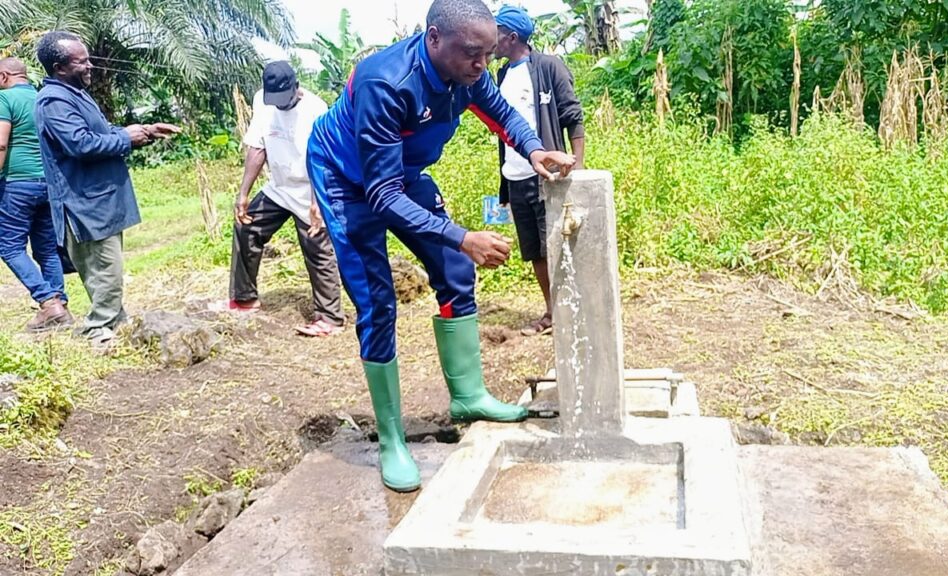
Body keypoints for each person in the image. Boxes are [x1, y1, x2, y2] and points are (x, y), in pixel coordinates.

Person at [307, 0, 575, 492]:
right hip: (347, 177)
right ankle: (391, 437)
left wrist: (535, 150)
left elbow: (502, 114)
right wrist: (463, 235)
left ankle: (468, 395)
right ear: (434, 39)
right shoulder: (385, 82)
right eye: (473, 54)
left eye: (489, 55)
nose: (482, 65)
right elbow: (381, 196)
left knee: (454, 268)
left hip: (401, 173)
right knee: (377, 300)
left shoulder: (470, 74)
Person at [35, 31, 180, 347]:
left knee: (106, 269)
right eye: (82, 61)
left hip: (100, 200)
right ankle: (98, 330)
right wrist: (126, 139)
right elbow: (80, 144)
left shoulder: (76, 93)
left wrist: (144, 131)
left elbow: (99, 133)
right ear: (59, 67)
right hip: (84, 204)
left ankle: (115, 321)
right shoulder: (54, 101)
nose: (90, 67)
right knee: (105, 270)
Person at [211, 61, 346, 337]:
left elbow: (324, 160)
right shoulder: (263, 101)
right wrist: (244, 193)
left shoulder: (316, 110)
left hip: (312, 186)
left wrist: (318, 202)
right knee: (247, 226)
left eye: (285, 100)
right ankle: (244, 299)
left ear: (296, 88)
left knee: (317, 245)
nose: (280, 106)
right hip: (279, 187)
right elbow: (257, 148)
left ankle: (330, 319)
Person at [494, 5, 585, 337]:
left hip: (547, 176)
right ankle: (551, 312)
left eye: (496, 34)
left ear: (511, 37)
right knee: (534, 250)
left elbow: (573, 115)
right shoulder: (501, 75)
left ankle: (568, 310)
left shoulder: (548, 67)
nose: (492, 41)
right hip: (515, 176)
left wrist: (578, 167)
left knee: (556, 246)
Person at [0, 57, 74, 332]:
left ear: (4, 76)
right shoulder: (44, 97)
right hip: (49, 184)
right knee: (46, 248)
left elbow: (0, 143)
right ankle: (60, 305)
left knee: (8, 246)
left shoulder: (4, 100)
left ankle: (48, 302)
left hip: (17, 184)